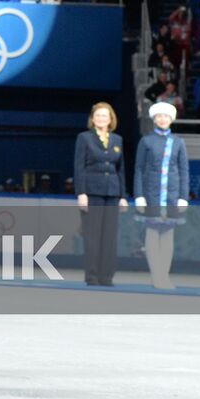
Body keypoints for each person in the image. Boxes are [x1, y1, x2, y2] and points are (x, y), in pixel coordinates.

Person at [134, 101, 189, 290]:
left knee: (167, 235)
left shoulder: (178, 142)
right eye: (159, 116)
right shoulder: (146, 141)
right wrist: (139, 195)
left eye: (166, 116)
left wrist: (183, 197)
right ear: (154, 119)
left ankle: (164, 276)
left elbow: (183, 171)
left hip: (172, 196)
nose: (163, 119)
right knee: (152, 233)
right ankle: (156, 275)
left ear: (171, 119)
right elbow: (139, 170)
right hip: (151, 195)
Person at [73, 101, 128, 286]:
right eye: (97, 115)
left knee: (109, 237)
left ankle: (107, 276)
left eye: (104, 116)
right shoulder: (84, 138)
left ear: (110, 119)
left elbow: (120, 170)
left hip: (112, 192)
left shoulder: (117, 140)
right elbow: (79, 167)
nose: (101, 119)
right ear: (92, 119)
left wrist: (122, 196)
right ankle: (92, 275)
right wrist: (81, 192)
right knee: (93, 236)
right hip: (92, 192)